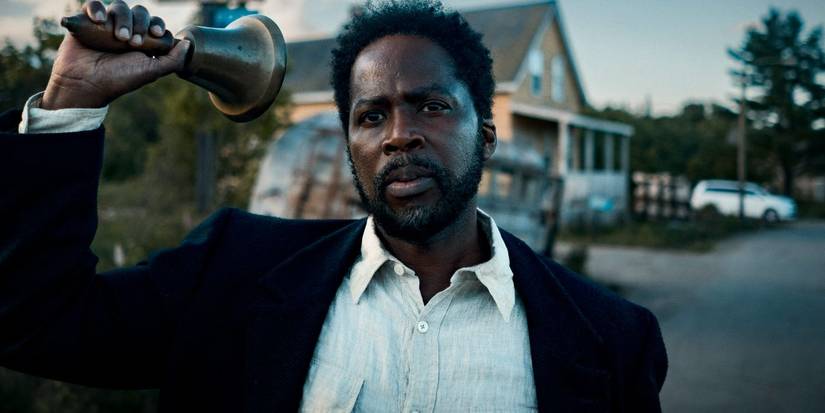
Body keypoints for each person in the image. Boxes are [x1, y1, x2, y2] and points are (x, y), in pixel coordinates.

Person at [0, 0, 667, 411]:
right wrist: (73, 103)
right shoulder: (233, 273)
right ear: (350, 145)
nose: (399, 132)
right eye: (371, 115)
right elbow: (34, 321)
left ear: (485, 134)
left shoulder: (609, 336)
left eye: (430, 106)